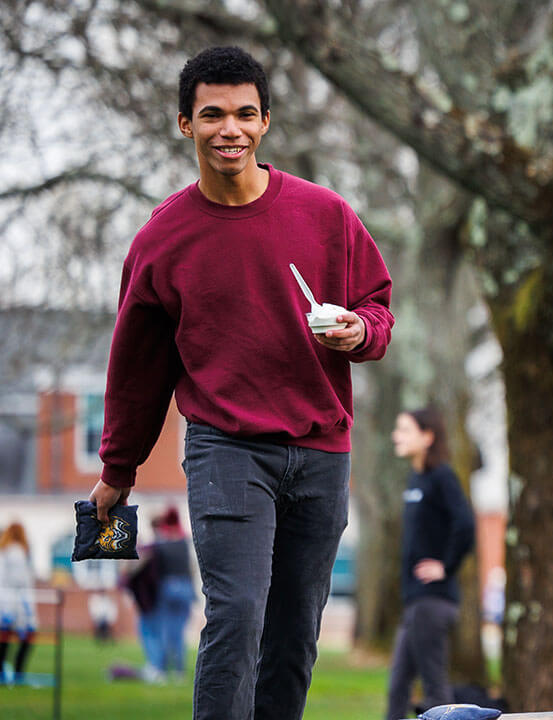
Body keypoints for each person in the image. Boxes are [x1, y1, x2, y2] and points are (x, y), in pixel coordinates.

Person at [86, 46, 394, 720]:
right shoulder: (162, 240)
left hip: (321, 450)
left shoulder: (325, 214)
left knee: (294, 634)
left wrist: (358, 332)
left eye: (246, 114)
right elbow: (137, 370)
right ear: (185, 124)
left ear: (265, 122)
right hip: (227, 448)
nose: (231, 128)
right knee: (238, 614)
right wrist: (118, 467)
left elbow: (377, 307)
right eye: (214, 114)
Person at [386, 407, 476, 720]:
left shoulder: (442, 477)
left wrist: (445, 566)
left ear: (427, 436)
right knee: (397, 687)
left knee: (435, 690)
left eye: (405, 430)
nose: (396, 436)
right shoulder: (416, 479)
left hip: (433, 601)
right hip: (415, 601)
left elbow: (465, 525)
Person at [137, 507, 197, 682]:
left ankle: (161, 671)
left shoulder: (158, 545)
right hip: (185, 588)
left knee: (164, 631)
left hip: (168, 587)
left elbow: (142, 561)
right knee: (178, 633)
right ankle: (179, 672)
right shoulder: (184, 543)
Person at [0, 522, 37, 684]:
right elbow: (20, 580)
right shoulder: (15, 552)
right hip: (14, 599)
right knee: (22, 636)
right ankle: (17, 672)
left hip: (15, 599)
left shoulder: (11, 552)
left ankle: (10, 672)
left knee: (7, 636)